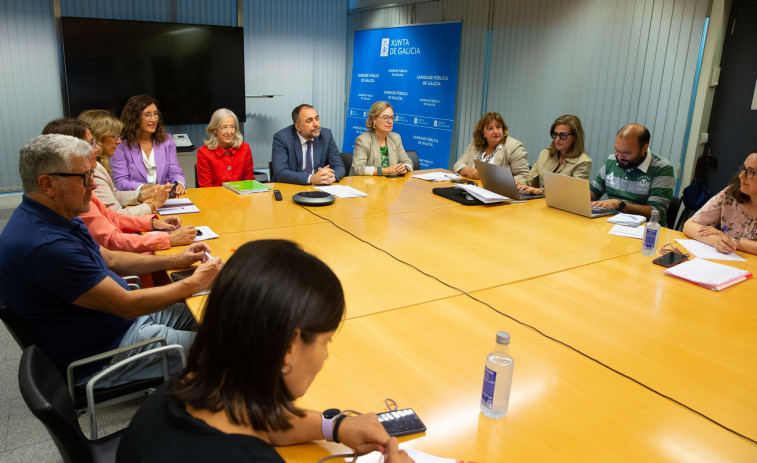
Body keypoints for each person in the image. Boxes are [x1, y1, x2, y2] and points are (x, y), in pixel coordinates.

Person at [117, 239, 412, 463]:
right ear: (287, 349)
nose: (325, 356)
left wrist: (336, 426)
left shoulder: (179, 392)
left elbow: (263, 421)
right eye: (326, 341)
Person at [0, 134, 222, 387]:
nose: (93, 187)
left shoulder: (57, 215)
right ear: (47, 183)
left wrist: (177, 258)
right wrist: (194, 283)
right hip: (109, 351)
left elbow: (112, 259)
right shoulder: (46, 247)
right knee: (233, 350)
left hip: (123, 323)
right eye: (85, 178)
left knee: (219, 312)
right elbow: (126, 305)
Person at [42, 118, 197, 253]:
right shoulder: (76, 191)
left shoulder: (82, 180)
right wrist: (166, 235)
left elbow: (112, 216)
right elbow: (112, 241)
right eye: (91, 143)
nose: (93, 184)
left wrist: (152, 221)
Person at [78, 110, 172, 215]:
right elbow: (116, 216)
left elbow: (113, 195)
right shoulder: (93, 171)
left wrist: (145, 193)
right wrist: (154, 204)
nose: (119, 141)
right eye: (114, 136)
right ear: (98, 138)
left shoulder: (96, 166)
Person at [590, 123, 675, 223]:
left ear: (644, 148)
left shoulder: (662, 169)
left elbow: (656, 212)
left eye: (627, 153)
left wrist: (620, 205)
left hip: (644, 230)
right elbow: (595, 190)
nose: (620, 157)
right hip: (610, 223)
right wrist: (578, 197)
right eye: (617, 150)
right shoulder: (612, 160)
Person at [683, 150, 757, 255]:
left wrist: (729, 240)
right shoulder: (730, 194)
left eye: (751, 172)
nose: (741, 176)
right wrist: (716, 241)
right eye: (744, 169)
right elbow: (689, 225)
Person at [111, 94, 187, 194]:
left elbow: (176, 173)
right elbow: (121, 182)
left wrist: (179, 183)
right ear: (134, 118)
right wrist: (147, 188)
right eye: (147, 115)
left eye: (156, 114)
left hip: (163, 198)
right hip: (136, 200)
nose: (154, 119)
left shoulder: (167, 140)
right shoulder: (121, 143)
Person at [516, 115, 592, 195]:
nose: (557, 139)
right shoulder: (545, 154)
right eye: (555, 134)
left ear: (575, 137)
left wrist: (542, 191)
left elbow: (573, 194)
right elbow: (530, 178)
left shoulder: (583, 162)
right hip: (537, 203)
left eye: (563, 135)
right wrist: (519, 184)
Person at [271, 104, 346, 185]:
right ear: (298, 126)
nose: (316, 124)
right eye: (309, 121)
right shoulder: (282, 138)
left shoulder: (326, 135)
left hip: (319, 188)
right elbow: (280, 173)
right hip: (291, 187)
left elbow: (339, 167)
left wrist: (329, 177)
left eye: (317, 119)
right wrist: (312, 178)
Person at [453, 112, 529, 180]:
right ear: (483, 133)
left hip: (498, 193)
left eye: (498, 127)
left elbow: (524, 176)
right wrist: (468, 170)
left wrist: (500, 183)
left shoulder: (514, 146)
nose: (495, 131)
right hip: (472, 188)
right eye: (490, 128)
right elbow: (458, 164)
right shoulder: (475, 144)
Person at [351, 101, 413, 176]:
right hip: (368, 185)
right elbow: (358, 169)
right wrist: (384, 171)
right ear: (374, 120)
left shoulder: (395, 138)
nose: (390, 121)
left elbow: (408, 162)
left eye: (392, 118)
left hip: (392, 184)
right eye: (385, 117)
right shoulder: (363, 140)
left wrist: (405, 168)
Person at [196, 108, 254, 187]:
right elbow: (206, 188)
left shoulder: (245, 148)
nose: (229, 132)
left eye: (232, 127)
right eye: (224, 127)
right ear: (214, 130)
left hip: (241, 198)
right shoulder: (204, 153)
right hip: (215, 198)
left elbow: (249, 183)